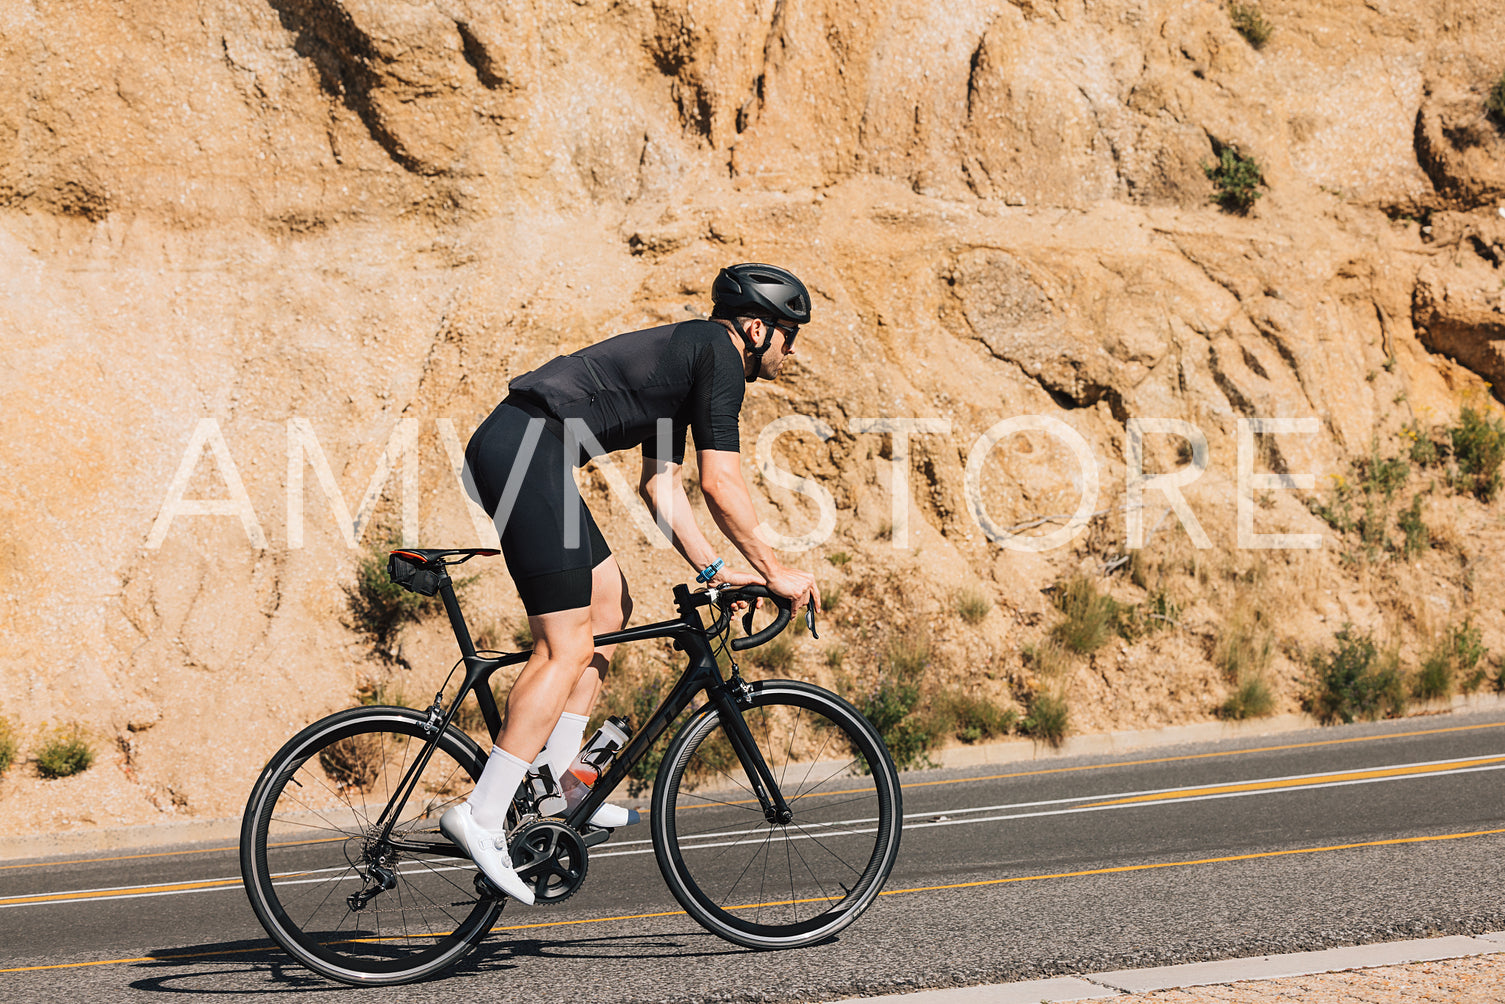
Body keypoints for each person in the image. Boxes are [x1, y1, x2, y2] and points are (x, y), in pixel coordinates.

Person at [442, 263, 822, 904]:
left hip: (525, 449)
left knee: (611, 602)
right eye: (790, 334)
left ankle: (555, 787)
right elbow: (722, 485)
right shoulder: (720, 358)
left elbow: (663, 486)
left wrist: (711, 569)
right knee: (564, 649)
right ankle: (481, 815)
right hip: (527, 450)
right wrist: (775, 570)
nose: (792, 350)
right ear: (756, 328)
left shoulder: (691, 365)